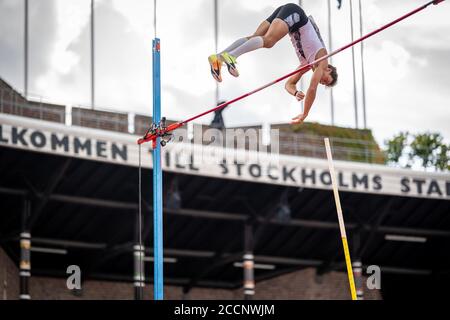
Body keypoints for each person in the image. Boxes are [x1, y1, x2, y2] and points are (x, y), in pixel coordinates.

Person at [208, 3, 338, 124]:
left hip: (289, 14)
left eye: (324, 84)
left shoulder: (307, 64)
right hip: (296, 15)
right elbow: (312, 88)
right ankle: (231, 56)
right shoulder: (323, 61)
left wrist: (295, 92)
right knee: (269, 41)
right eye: (326, 80)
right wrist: (305, 113)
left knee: (254, 38)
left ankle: (218, 58)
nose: (322, 82)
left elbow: (289, 84)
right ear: (328, 70)